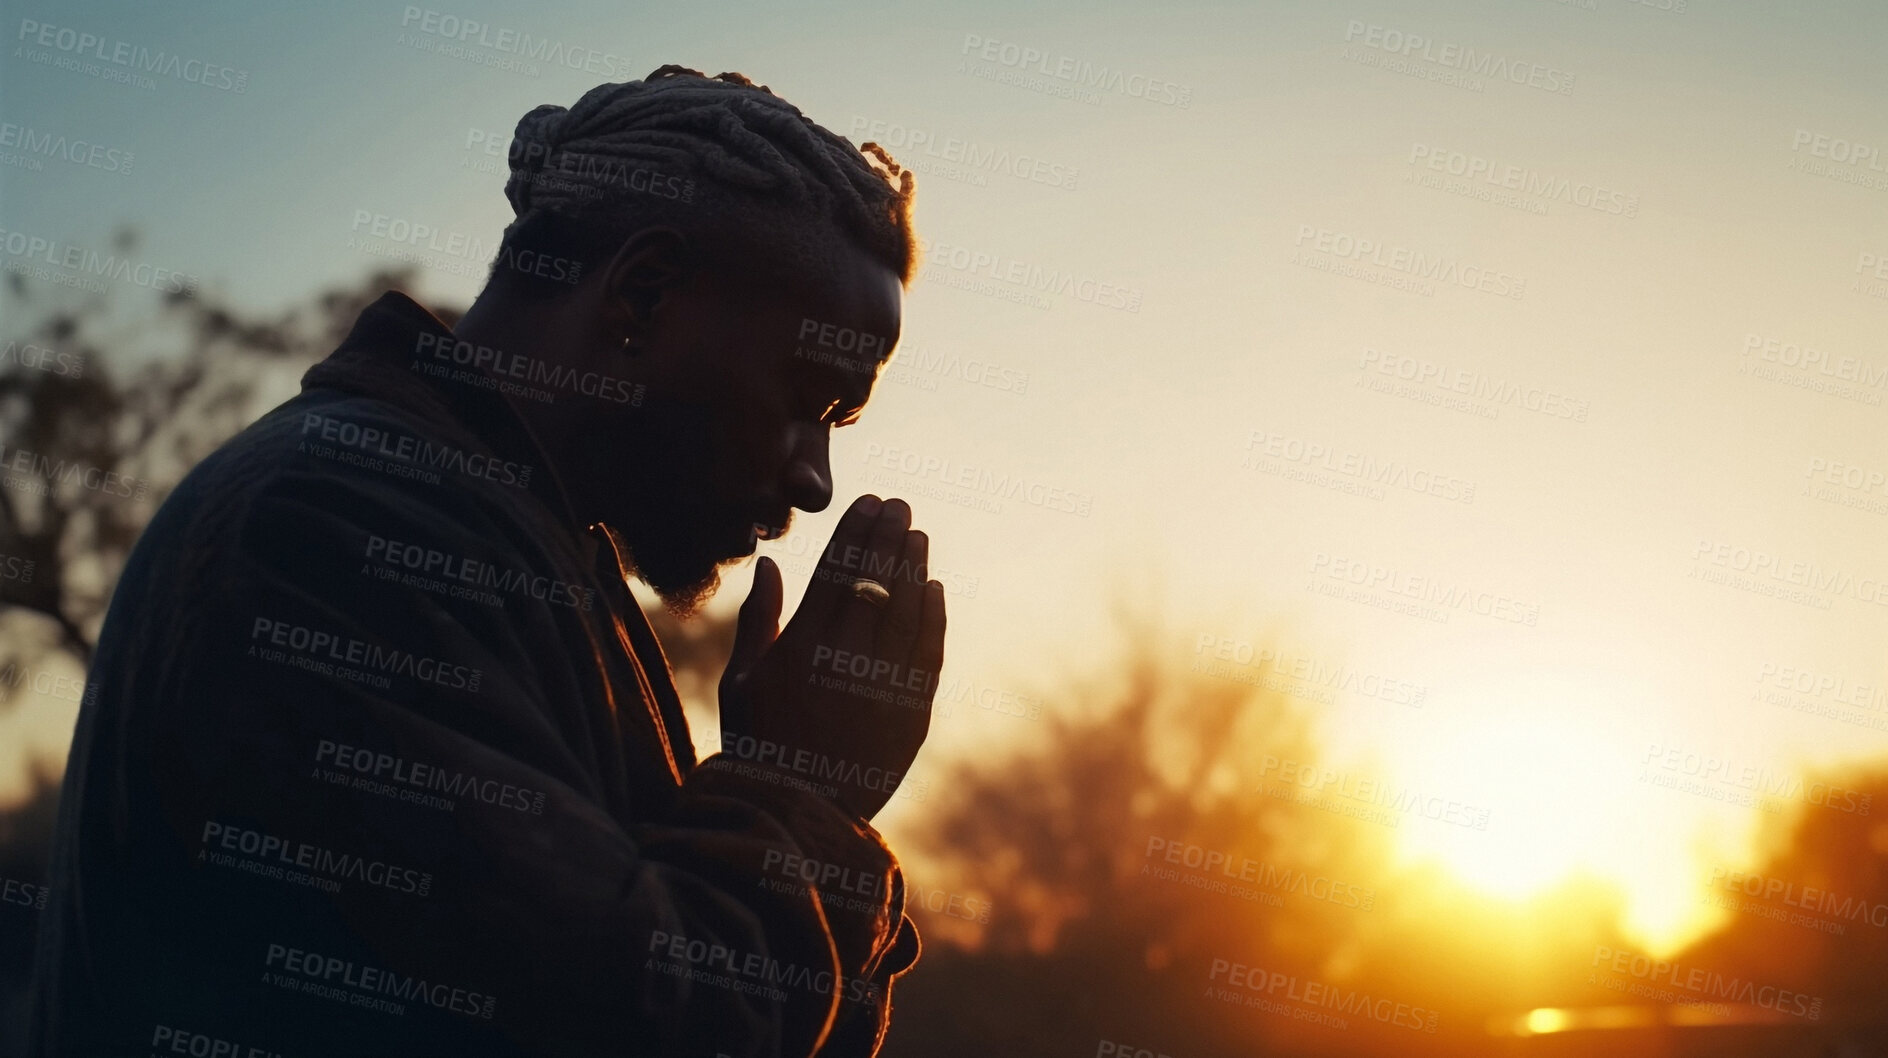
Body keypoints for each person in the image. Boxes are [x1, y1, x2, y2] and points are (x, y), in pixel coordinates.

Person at [27, 65, 944, 1057]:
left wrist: (797, 814)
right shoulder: (336, 526)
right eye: (811, 398)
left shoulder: (517, 549)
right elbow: (623, 1022)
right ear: (639, 294)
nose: (815, 478)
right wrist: (797, 789)